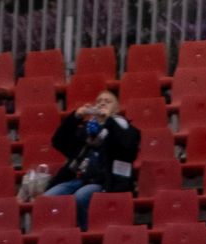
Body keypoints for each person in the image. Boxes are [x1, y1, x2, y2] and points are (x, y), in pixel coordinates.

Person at [42, 89, 141, 229]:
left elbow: (129, 150)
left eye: (107, 101)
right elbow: (58, 141)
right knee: (47, 198)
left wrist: (110, 121)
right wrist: (76, 116)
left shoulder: (125, 129)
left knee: (81, 197)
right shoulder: (87, 130)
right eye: (99, 101)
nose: (102, 104)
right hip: (78, 178)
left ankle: (85, 234)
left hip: (106, 181)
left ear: (117, 108)